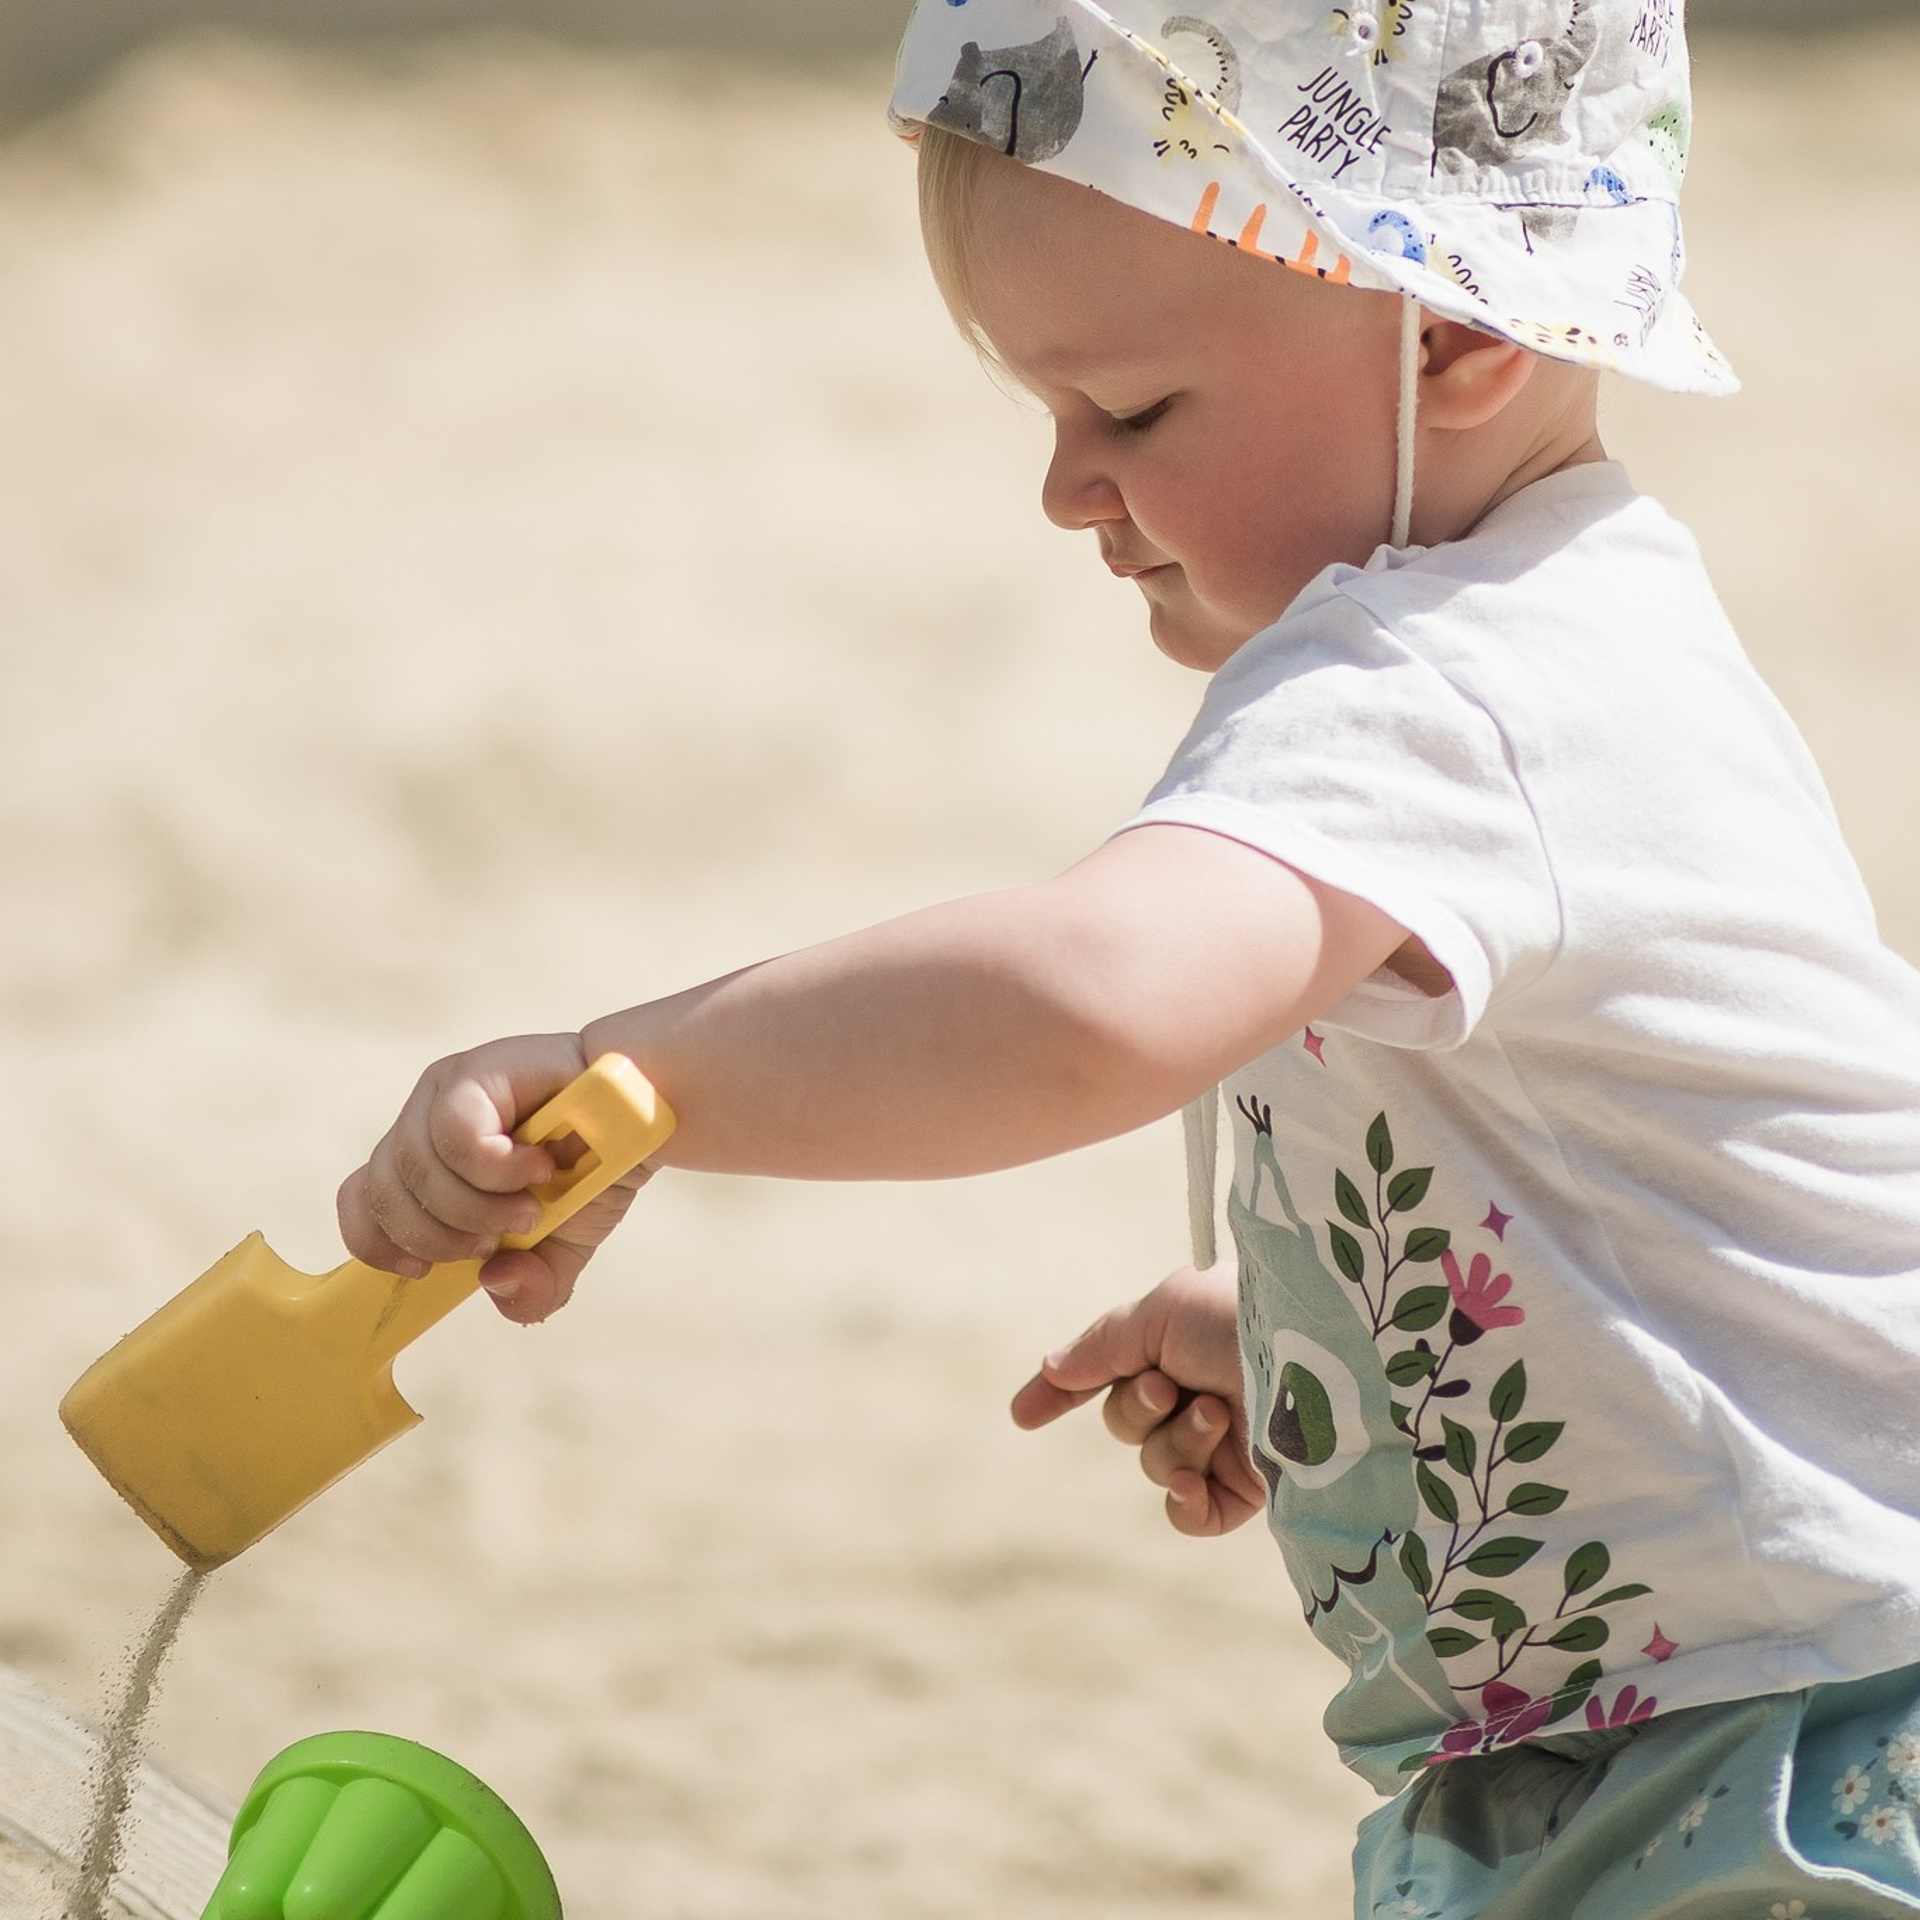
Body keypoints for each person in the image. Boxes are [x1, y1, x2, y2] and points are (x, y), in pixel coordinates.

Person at [337, 2, 1920, 1912]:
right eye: (1048, 414)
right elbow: (1664, 1194)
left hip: (1792, 1753)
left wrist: (634, 1083)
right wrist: (1350, 1331)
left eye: (1135, 412)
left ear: (1460, 331)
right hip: (1707, 1714)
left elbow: (1089, 1006)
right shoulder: (1557, 634)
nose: (1067, 489)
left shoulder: (1441, 686)